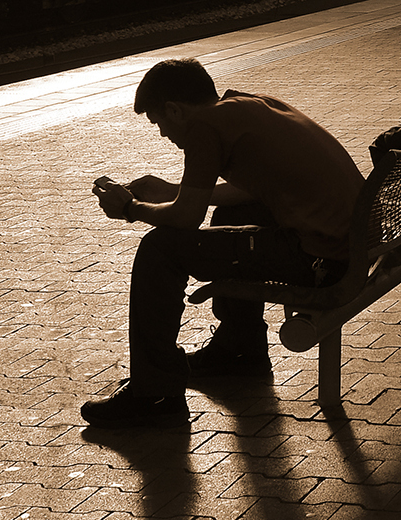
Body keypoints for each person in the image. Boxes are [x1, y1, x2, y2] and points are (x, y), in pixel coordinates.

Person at [82, 58, 366, 429]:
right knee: (233, 217)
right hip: (352, 242)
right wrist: (171, 191)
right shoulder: (248, 105)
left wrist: (131, 208)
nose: (163, 133)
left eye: (159, 122)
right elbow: (251, 189)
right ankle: (239, 348)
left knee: (160, 249)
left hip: (322, 259)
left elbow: (186, 218)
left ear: (174, 109)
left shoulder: (204, 127)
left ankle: (155, 392)